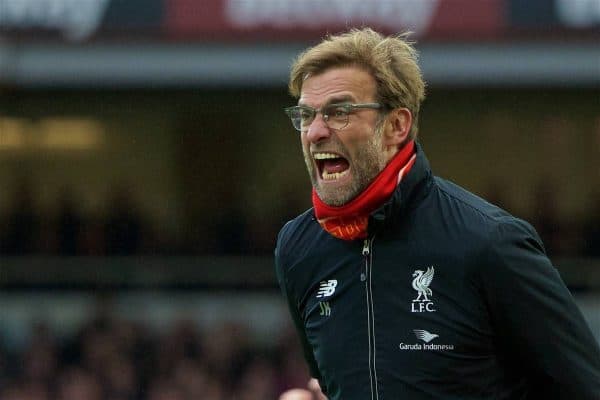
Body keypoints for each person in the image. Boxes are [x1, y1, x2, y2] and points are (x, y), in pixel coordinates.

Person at [274, 28, 600, 400]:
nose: (315, 132)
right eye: (305, 114)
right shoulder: (298, 248)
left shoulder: (489, 243)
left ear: (396, 125)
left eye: (339, 112)